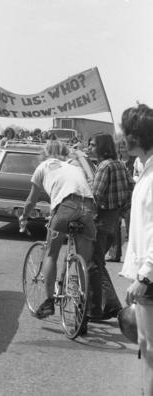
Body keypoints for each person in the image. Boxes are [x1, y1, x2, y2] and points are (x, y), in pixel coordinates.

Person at [19, 140, 96, 321]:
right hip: (89, 206)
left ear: (44, 154)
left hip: (66, 205)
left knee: (51, 253)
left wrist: (24, 216)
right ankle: (83, 304)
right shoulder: (74, 166)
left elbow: (31, 200)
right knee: (83, 260)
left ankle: (48, 302)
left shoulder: (43, 167)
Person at [120, 104, 153, 396]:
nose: (122, 137)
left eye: (125, 132)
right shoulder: (146, 169)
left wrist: (144, 277)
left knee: (150, 350)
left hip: (151, 279)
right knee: (146, 349)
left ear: (137, 136)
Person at [87, 134, 134, 321]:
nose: (89, 147)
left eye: (92, 144)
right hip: (113, 221)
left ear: (101, 147)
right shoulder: (120, 165)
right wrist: (121, 213)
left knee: (93, 264)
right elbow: (132, 190)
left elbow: (95, 197)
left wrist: (86, 217)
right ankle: (112, 305)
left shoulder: (104, 167)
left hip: (100, 220)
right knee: (98, 262)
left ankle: (95, 309)